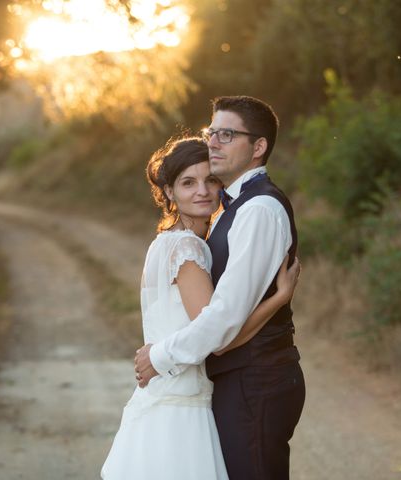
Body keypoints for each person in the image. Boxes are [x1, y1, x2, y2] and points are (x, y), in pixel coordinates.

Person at [101, 137, 300, 479]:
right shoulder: (187, 248)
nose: (203, 191)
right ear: (168, 192)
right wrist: (279, 299)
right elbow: (219, 336)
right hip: (182, 402)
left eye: (210, 180)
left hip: (168, 392)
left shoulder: (167, 242)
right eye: (188, 183)